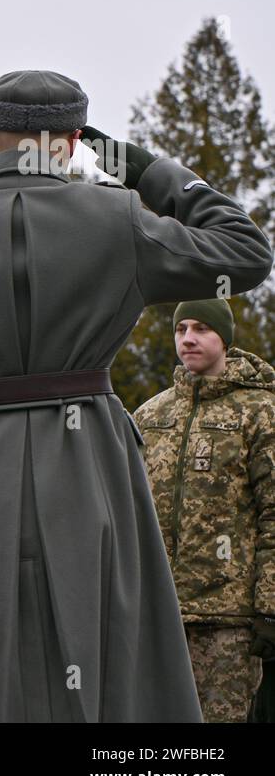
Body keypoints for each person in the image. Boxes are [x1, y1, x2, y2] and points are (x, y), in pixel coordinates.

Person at [0, 69, 272, 722]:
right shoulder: (119, 220)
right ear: (75, 141)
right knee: (104, 673)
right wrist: (138, 167)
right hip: (90, 469)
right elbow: (246, 254)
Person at [134, 299, 275, 722]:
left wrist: (269, 606)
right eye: (181, 329)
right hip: (157, 612)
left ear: (225, 339)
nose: (188, 338)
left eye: (201, 329)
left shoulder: (262, 413)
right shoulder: (150, 415)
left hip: (228, 620)